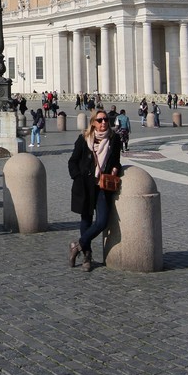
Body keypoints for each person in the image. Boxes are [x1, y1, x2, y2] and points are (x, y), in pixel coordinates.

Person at [67, 110, 123, 270]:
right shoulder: (84, 139)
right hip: (85, 186)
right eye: (100, 120)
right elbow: (73, 162)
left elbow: (117, 161)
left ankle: (77, 245)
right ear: (93, 123)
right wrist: (77, 178)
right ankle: (87, 256)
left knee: (102, 221)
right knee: (86, 220)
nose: (103, 122)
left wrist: (115, 169)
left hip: (102, 187)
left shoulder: (114, 139)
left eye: (106, 119)